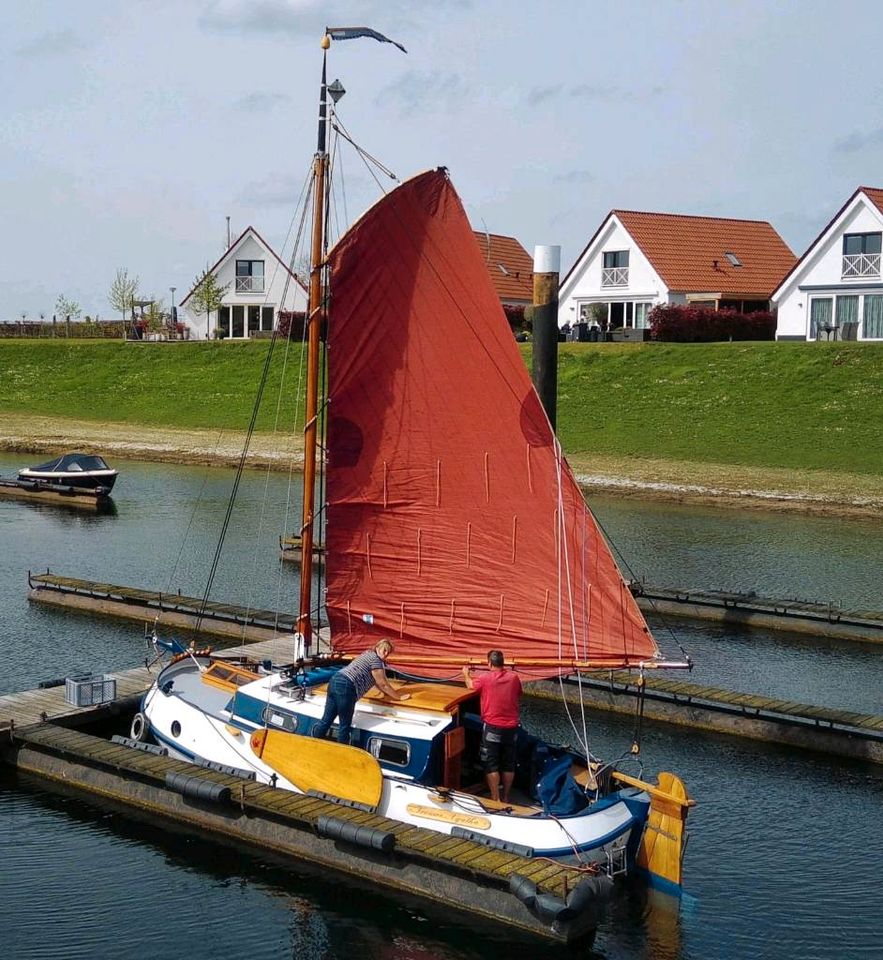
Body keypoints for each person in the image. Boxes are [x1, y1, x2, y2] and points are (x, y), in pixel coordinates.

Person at [313, 639, 409, 744]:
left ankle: (313, 744)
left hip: (335, 680)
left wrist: (385, 692)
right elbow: (383, 683)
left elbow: (376, 681)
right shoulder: (375, 660)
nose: (386, 654)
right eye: (384, 650)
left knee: (326, 721)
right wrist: (398, 697)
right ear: (377, 648)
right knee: (344, 726)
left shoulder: (367, 654)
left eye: (388, 652)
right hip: (346, 687)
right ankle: (341, 753)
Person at [462, 650, 522, 803]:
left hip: (493, 728)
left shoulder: (485, 678)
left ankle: (496, 798)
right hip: (512, 728)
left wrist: (465, 673)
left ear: (489, 663)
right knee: (508, 764)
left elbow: (470, 686)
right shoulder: (514, 678)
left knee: (491, 764)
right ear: (503, 662)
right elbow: (518, 693)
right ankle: (507, 796)